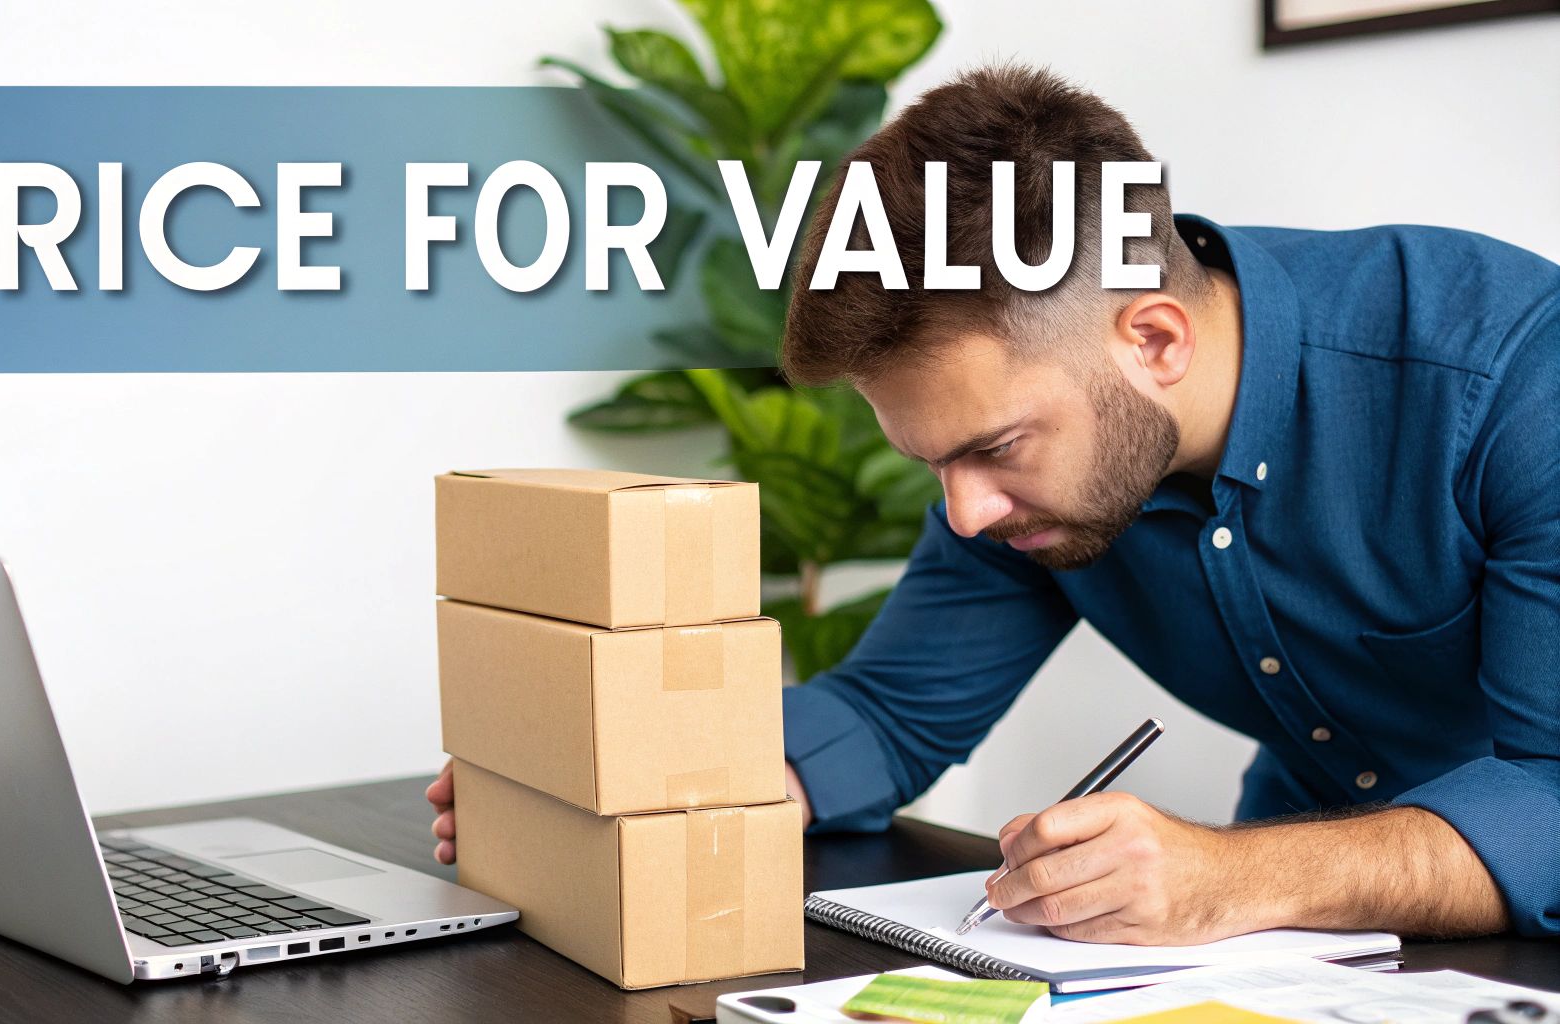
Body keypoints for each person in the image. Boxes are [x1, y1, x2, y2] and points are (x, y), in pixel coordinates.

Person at [429, 63, 1560, 944]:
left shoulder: (1509, 376)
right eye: (931, 464)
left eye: (993, 449)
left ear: (1151, 340)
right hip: (1303, 948)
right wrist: (609, 780)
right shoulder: (1023, 485)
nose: (964, 513)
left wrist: (1229, 876)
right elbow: (888, 714)